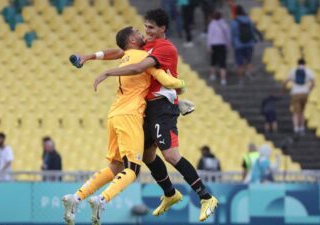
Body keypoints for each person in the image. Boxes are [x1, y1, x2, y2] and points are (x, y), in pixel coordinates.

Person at [70, 8, 218, 222]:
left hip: (162, 107)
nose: (146, 31)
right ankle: (170, 194)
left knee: (171, 155)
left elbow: (139, 67)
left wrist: (108, 72)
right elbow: (121, 52)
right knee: (148, 156)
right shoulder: (146, 46)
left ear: (162, 29)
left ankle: (206, 197)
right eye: (145, 27)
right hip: (149, 108)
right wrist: (90, 56)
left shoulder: (165, 48)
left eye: (150, 28)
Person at [63, 26, 186, 225]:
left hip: (114, 115)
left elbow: (117, 51)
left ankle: (76, 197)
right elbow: (165, 79)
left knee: (115, 166)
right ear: (132, 39)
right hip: (130, 116)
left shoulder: (127, 56)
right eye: (138, 31)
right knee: (132, 169)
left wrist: (89, 56)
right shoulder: (145, 56)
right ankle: (102, 199)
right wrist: (180, 90)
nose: (142, 32)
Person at [282, 58, 315, 135]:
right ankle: (302, 127)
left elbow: (285, 82)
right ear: (304, 64)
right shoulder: (308, 71)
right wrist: (309, 90)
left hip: (295, 93)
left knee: (295, 112)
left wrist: (284, 89)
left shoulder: (293, 71)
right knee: (302, 111)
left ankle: (296, 128)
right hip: (304, 92)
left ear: (298, 63)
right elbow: (313, 83)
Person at [230, 5, 258, 85]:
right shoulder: (249, 20)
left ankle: (241, 80)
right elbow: (252, 31)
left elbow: (233, 34)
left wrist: (233, 43)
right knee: (249, 61)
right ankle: (251, 75)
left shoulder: (234, 22)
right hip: (249, 44)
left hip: (238, 45)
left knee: (239, 63)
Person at [207, 10, 230, 85]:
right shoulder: (224, 24)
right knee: (222, 62)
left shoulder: (212, 24)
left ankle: (212, 75)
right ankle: (223, 79)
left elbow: (210, 36)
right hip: (222, 44)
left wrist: (209, 46)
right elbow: (228, 36)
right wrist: (228, 45)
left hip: (214, 44)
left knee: (213, 61)